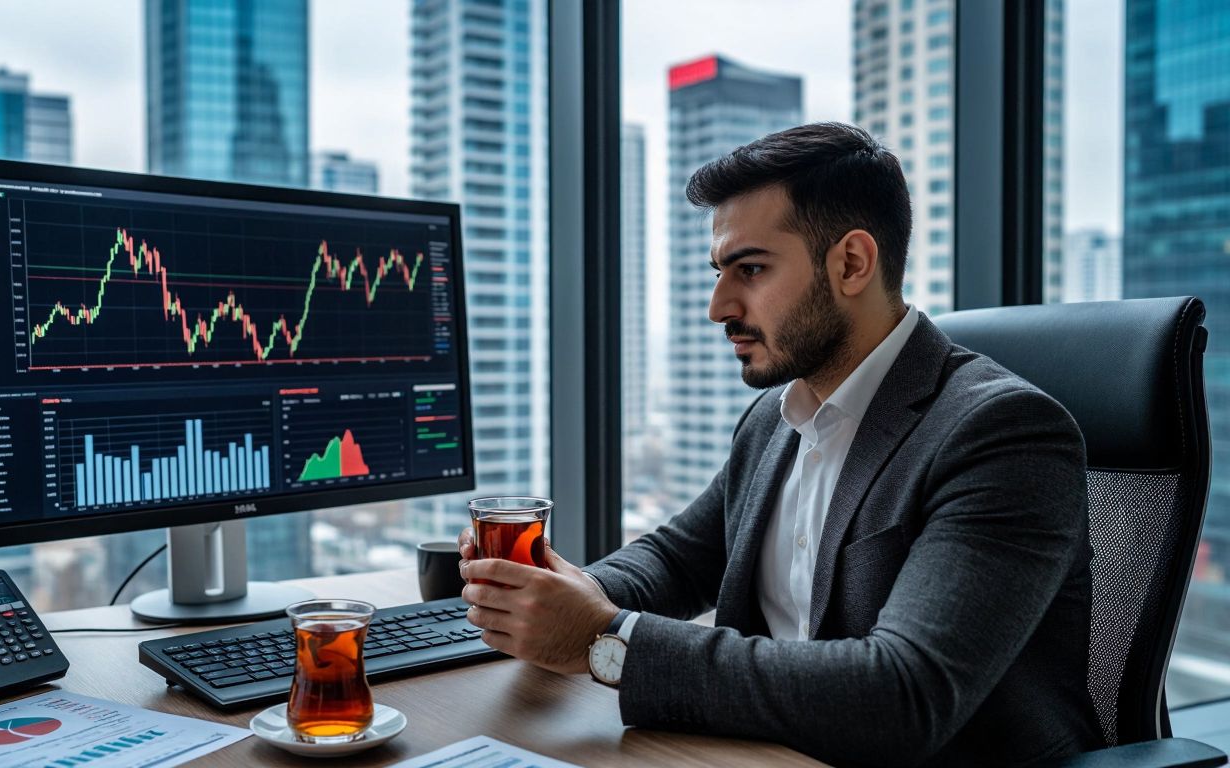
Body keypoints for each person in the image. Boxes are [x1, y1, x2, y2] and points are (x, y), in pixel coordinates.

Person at [457, 122, 1104, 766]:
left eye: (751, 269)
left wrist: (604, 638)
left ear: (852, 263)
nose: (718, 306)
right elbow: (682, 560)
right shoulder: (776, 416)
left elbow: (903, 696)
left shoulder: (1004, 433)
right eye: (719, 271)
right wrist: (560, 593)